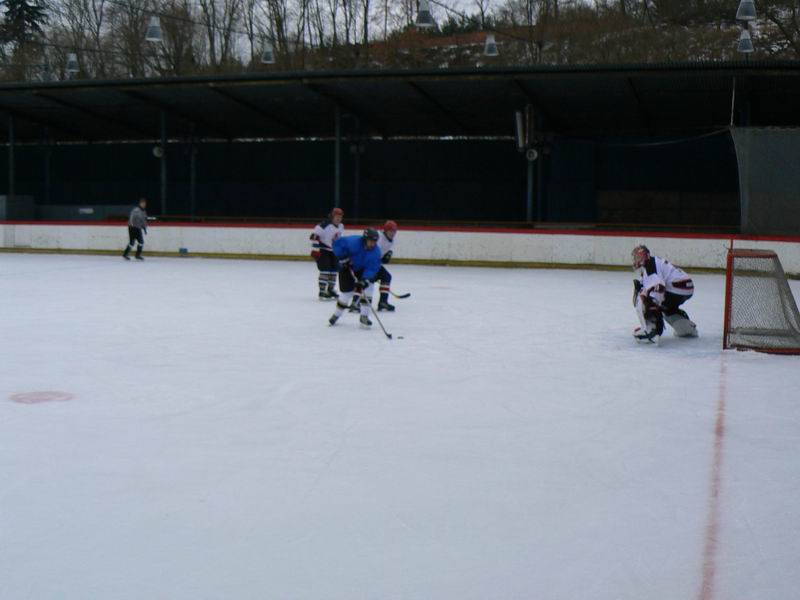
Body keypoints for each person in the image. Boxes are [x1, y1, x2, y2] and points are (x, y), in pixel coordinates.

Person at [632, 245, 697, 343]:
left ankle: (652, 330)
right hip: (687, 287)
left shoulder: (650, 267)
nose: (635, 260)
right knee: (667, 308)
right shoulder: (653, 262)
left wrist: (653, 304)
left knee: (648, 297)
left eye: (637, 257)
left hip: (677, 288)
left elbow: (659, 288)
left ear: (644, 257)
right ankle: (687, 328)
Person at [328, 228, 382, 328]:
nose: (372, 244)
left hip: (362, 269)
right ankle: (336, 314)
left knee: (369, 288)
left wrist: (365, 280)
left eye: (374, 242)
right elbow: (336, 244)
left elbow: (372, 268)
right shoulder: (353, 242)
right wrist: (342, 257)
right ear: (364, 239)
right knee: (347, 293)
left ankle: (364, 316)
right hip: (346, 267)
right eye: (370, 241)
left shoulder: (376, 252)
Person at [350, 220, 399, 312]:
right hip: (365, 263)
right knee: (365, 281)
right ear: (385, 230)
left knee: (386, 277)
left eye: (394, 231)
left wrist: (388, 254)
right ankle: (355, 303)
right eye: (391, 231)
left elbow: (384, 251)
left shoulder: (390, 241)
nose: (392, 233)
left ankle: (383, 302)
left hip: (374, 264)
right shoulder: (379, 237)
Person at [310, 208, 344, 300]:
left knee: (334, 270)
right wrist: (315, 250)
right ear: (332, 216)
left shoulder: (341, 226)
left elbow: (339, 239)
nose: (338, 219)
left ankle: (330, 290)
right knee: (325, 270)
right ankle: (322, 292)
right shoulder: (324, 225)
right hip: (323, 250)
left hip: (334, 251)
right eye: (337, 216)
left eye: (340, 217)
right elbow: (314, 236)